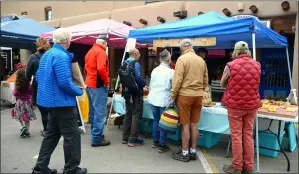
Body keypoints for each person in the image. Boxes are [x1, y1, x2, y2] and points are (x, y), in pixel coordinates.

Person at [32, 28, 86, 174]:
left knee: (51, 135)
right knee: (72, 137)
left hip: (50, 102)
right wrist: (79, 91)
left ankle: (40, 167)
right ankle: (71, 169)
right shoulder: (61, 56)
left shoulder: (46, 55)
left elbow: (38, 77)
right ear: (68, 41)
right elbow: (64, 82)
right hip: (63, 103)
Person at [221, 41, 261, 174]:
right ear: (248, 51)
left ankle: (237, 167)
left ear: (236, 51)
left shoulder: (230, 65)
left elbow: (222, 83)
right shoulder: (257, 65)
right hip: (252, 105)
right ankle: (248, 167)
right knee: (248, 135)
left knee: (236, 136)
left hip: (235, 105)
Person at [171, 39, 208, 162]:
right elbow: (205, 80)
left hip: (185, 95)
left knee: (185, 125)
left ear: (182, 48)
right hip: (198, 95)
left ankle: (185, 153)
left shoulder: (182, 59)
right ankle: (193, 151)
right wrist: (200, 90)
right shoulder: (201, 60)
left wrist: (173, 96)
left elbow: (177, 80)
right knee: (194, 124)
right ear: (192, 47)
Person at [85, 35, 110, 147]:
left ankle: (96, 135)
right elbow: (101, 68)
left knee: (94, 111)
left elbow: (86, 68)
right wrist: (106, 81)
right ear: (104, 43)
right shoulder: (101, 52)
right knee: (100, 112)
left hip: (89, 83)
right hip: (97, 85)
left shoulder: (90, 51)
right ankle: (96, 137)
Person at [147, 49, 174, 153]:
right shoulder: (171, 72)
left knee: (156, 120)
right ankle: (162, 145)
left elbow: (151, 85)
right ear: (169, 59)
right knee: (164, 123)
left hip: (153, 98)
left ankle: (155, 141)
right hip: (164, 99)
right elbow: (174, 87)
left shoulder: (155, 70)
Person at [119, 48, 146, 147]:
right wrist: (144, 84)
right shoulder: (136, 63)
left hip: (127, 92)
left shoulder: (124, 63)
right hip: (136, 93)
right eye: (139, 53)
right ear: (135, 54)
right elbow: (138, 77)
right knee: (136, 115)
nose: (140, 55)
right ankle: (133, 139)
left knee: (128, 114)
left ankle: (125, 138)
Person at [26, 37, 51, 137]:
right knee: (51, 109)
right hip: (50, 83)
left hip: (38, 84)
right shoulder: (51, 55)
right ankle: (53, 129)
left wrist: (30, 79)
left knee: (43, 110)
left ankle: (47, 130)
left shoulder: (33, 57)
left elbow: (27, 74)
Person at [11, 68, 36, 138]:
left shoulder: (17, 84)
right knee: (27, 118)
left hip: (20, 103)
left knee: (17, 117)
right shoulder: (29, 84)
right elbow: (31, 93)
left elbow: (14, 93)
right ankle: (27, 131)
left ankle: (22, 127)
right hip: (28, 102)